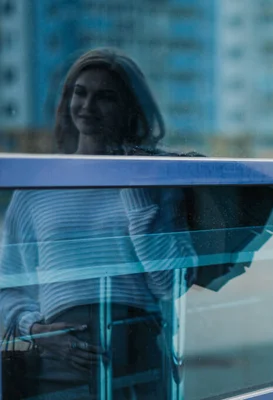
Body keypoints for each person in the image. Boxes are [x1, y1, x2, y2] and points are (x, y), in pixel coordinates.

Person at [0, 48, 197, 398]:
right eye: (80, 92)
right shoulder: (36, 189)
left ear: (130, 108)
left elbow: (170, 284)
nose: (87, 106)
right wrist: (38, 331)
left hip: (141, 367)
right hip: (60, 371)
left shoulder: (155, 184)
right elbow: (7, 285)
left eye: (105, 97)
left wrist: (134, 189)